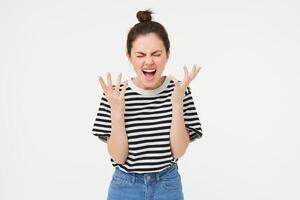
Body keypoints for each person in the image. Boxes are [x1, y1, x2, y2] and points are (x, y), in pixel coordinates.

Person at [91, 9, 203, 200]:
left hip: (167, 184)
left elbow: (179, 151)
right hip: (125, 186)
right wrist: (117, 114)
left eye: (156, 54)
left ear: (167, 55)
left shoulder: (179, 90)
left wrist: (177, 105)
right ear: (129, 57)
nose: (149, 61)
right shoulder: (114, 94)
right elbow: (118, 157)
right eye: (141, 54)